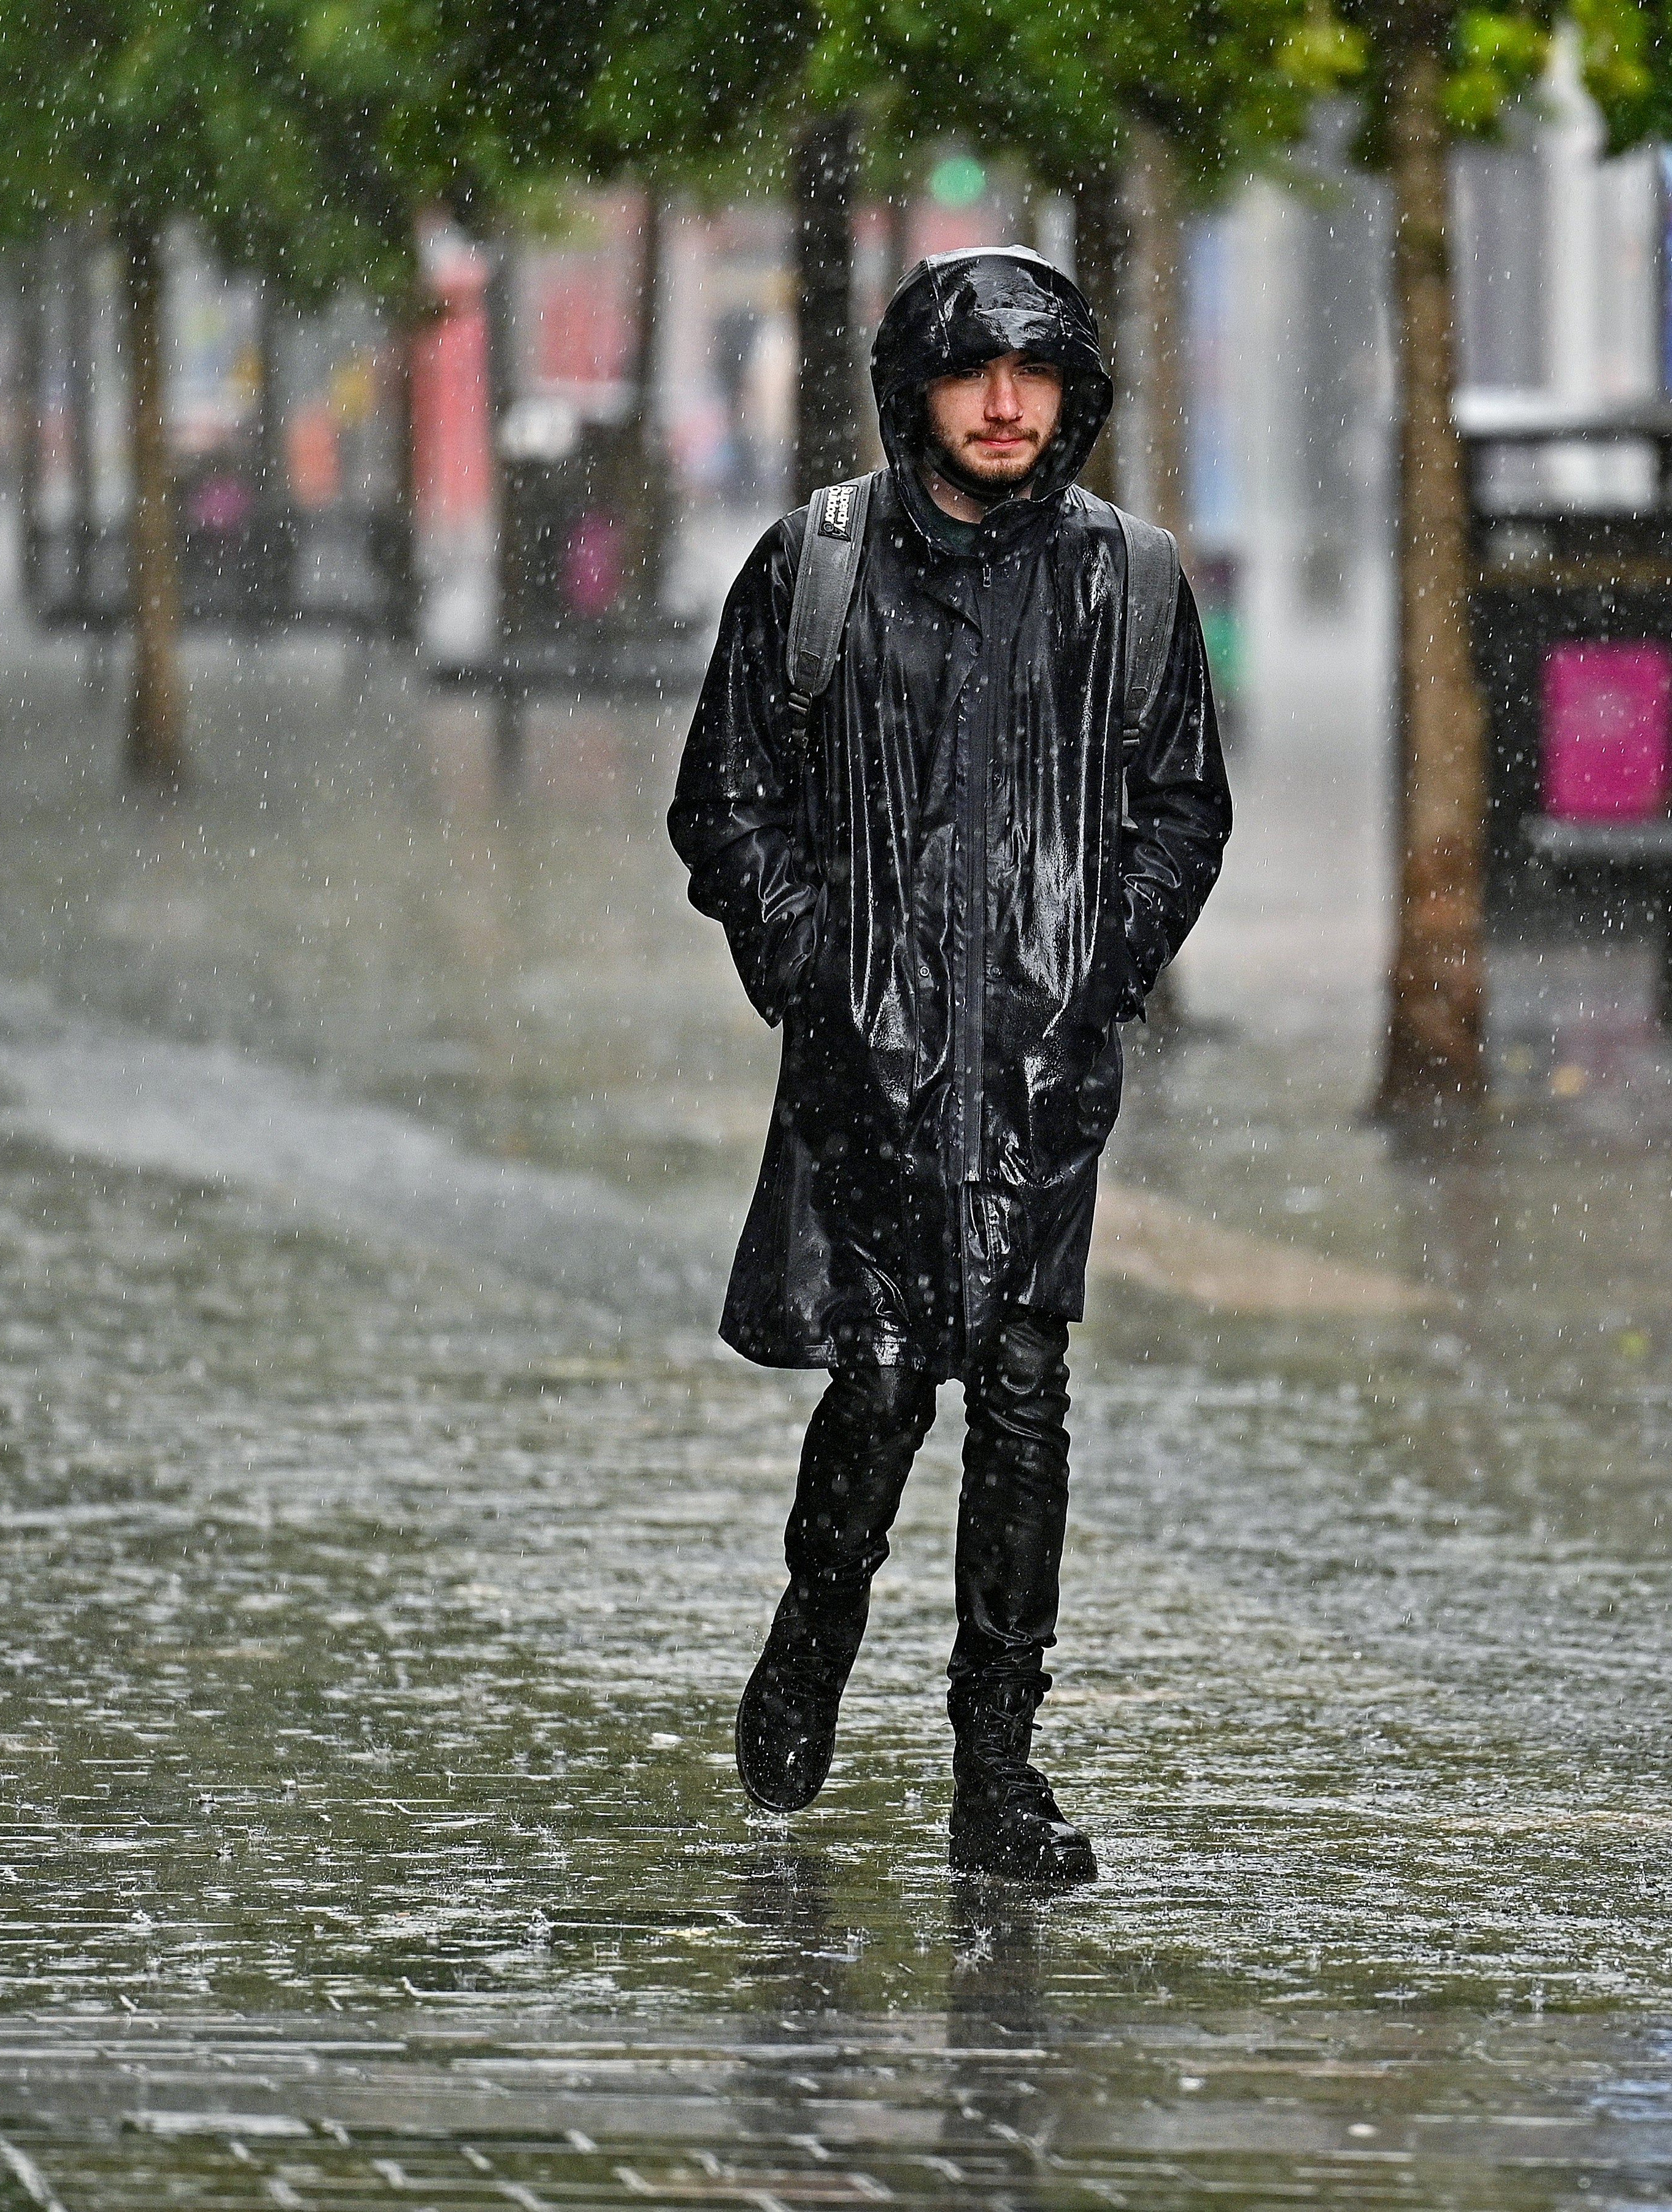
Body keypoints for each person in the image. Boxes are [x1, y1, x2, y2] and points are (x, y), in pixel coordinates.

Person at [668, 248, 1230, 1883]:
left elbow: (1182, 808)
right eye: (971, 370)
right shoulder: (818, 567)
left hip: (1043, 1075)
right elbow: (728, 796)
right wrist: (812, 970)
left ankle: (997, 1766)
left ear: (1073, 394)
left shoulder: (1127, 581)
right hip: (867, 1059)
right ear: (913, 384)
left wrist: (1095, 970)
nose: (1002, 403)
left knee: (1028, 1390)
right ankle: (814, 1624)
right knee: (888, 1368)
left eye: (1034, 372)